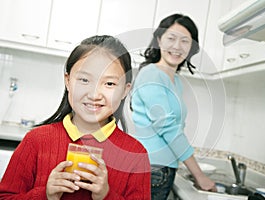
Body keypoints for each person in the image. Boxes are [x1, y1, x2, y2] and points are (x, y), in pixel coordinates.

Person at [0, 35, 151, 200]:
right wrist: (45, 195)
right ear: (68, 81)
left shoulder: (135, 155)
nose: (94, 95)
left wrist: (106, 196)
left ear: (125, 90)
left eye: (109, 84)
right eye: (84, 80)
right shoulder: (36, 140)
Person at [131, 13, 217, 199]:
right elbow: (168, 128)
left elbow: (176, 128)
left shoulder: (175, 80)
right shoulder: (151, 74)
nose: (177, 46)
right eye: (171, 38)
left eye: (185, 41)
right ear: (159, 40)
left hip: (162, 169)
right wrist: (199, 175)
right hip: (152, 168)